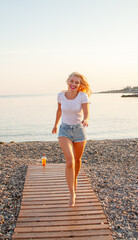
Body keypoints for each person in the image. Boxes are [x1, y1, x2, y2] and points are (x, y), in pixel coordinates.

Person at [52, 72, 91, 207]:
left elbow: (86, 112)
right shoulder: (60, 96)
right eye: (72, 81)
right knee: (70, 161)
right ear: (67, 81)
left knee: (78, 160)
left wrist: (86, 119)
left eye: (77, 82)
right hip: (64, 130)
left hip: (79, 130)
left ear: (80, 85)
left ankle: (74, 180)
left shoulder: (82, 96)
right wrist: (55, 124)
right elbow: (59, 111)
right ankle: (72, 193)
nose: (73, 84)